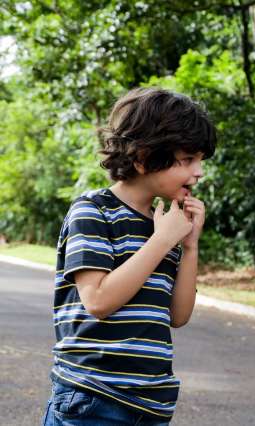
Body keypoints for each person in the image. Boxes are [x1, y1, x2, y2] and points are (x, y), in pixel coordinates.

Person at [42, 87, 215, 425]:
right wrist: (162, 241)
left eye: (200, 161)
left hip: (150, 404)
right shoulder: (93, 211)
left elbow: (177, 316)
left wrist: (190, 245)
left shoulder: (164, 224)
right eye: (187, 160)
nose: (199, 173)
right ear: (144, 158)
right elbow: (98, 300)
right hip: (93, 398)